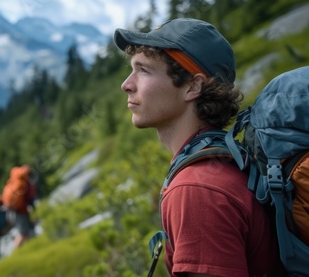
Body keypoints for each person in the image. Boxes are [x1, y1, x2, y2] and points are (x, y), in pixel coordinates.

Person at [114, 18, 284, 276]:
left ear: (193, 86)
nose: (126, 84)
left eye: (144, 70)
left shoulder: (197, 189)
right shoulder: (223, 162)